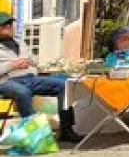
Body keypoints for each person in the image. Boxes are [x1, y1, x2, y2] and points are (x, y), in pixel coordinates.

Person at [0, 12, 81, 142]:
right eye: (4, 25)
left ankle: (66, 129)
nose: (8, 27)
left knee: (64, 85)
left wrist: (30, 61)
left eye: (10, 24)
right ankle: (36, 135)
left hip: (29, 77)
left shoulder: (19, 41)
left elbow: (35, 60)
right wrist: (11, 65)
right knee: (23, 92)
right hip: (5, 81)